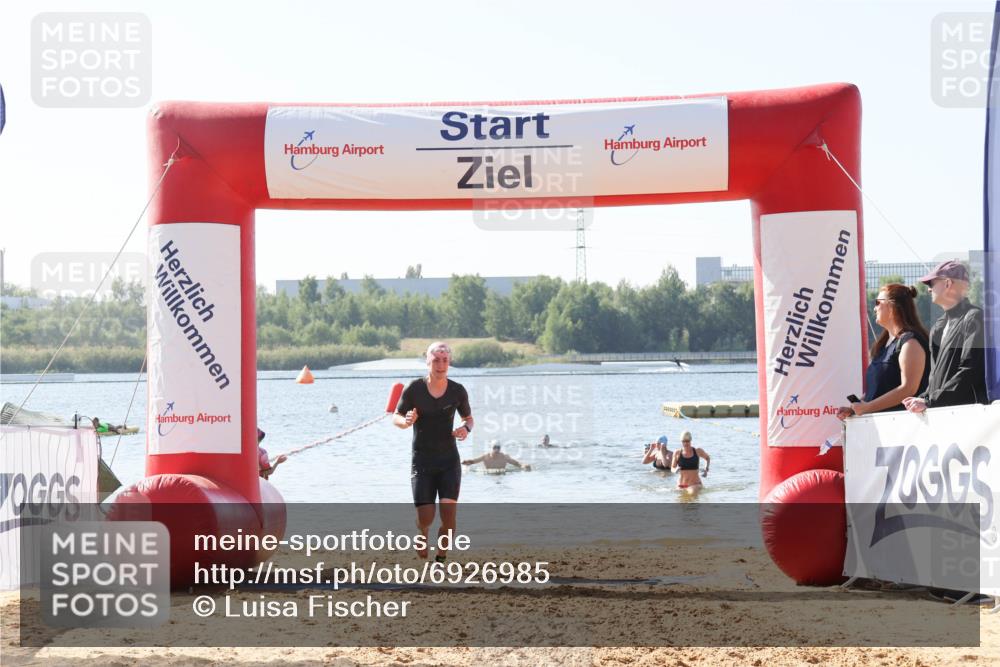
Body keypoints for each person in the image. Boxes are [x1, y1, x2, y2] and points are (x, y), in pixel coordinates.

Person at [393, 341, 473, 562]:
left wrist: (465, 429)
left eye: (445, 360)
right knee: (426, 517)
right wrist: (406, 421)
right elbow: (396, 417)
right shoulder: (415, 389)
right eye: (436, 360)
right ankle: (422, 532)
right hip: (422, 462)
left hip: (449, 461)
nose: (440, 364)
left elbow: (469, 419)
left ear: (449, 362)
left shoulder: (457, 391)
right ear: (427, 361)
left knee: (449, 518)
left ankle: (440, 559)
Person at [902, 260, 988, 412]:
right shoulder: (938, 327)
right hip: (942, 414)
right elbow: (935, 378)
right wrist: (924, 398)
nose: (928, 290)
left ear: (948, 283)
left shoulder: (974, 317)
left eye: (931, 284)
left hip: (968, 417)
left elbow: (970, 370)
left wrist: (930, 401)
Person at [837, 283, 930, 419]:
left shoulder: (911, 342)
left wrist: (868, 407)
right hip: (880, 428)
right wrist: (858, 407)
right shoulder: (885, 344)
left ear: (893, 307)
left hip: (902, 428)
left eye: (877, 303)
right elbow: (880, 389)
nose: (874, 309)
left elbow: (908, 389)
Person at [462, 440, 531, 471]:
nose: (496, 450)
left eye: (498, 448)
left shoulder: (504, 457)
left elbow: (517, 463)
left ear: (500, 448)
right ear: (491, 448)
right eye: (495, 447)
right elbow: (473, 461)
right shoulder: (486, 457)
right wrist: (464, 462)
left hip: (502, 474)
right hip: (488, 475)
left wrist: (524, 466)